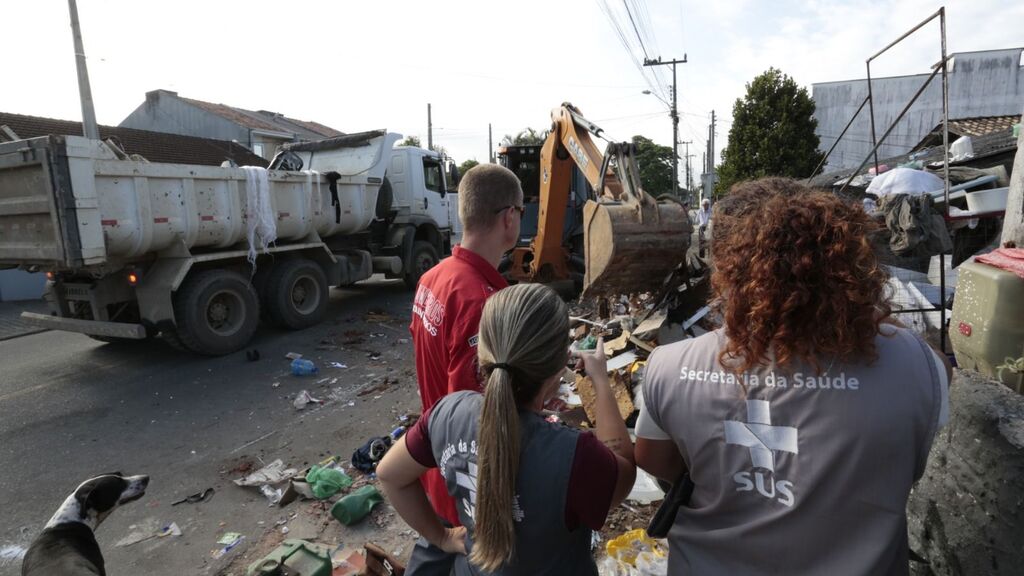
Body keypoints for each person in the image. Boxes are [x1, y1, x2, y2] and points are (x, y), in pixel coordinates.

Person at [635, 178, 951, 575]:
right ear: (856, 271)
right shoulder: (919, 367)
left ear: (730, 272)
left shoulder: (669, 365)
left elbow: (653, 458)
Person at [381, 284, 637, 575]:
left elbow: (390, 474)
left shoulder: (448, 413)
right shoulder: (577, 455)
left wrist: (441, 537)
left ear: (484, 353)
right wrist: (600, 380)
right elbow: (625, 472)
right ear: (559, 366)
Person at [406, 163, 520, 572]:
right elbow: (474, 411)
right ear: (509, 217)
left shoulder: (433, 278)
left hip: (434, 463)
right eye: (521, 212)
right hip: (465, 482)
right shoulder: (483, 301)